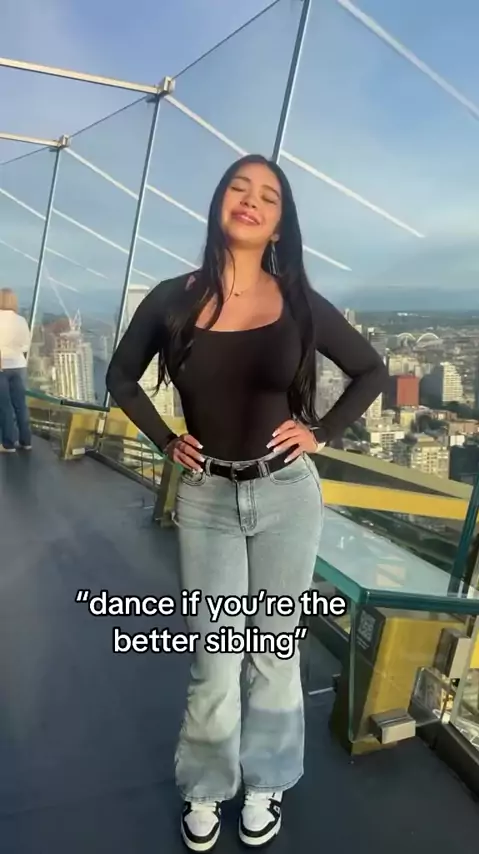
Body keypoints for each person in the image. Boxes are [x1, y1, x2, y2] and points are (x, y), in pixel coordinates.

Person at [106, 154, 388, 850]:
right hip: (206, 495)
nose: (251, 200)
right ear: (219, 203)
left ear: (279, 224)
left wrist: (320, 432)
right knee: (215, 656)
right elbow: (121, 376)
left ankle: (267, 782)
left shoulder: (297, 300)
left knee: (274, 652)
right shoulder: (171, 299)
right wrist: (165, 439)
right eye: (239, 187)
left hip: (287, 493)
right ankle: (205, 787)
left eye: (268, 195)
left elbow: (370, 369)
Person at [0, 287, 32, 453]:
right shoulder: (21, 320)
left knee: (5, 406)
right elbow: (26, 345)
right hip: (19, 365)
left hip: (2, 366)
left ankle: (8, 444)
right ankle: (26, 441)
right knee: (20, 405)